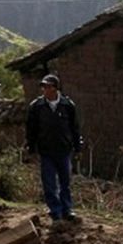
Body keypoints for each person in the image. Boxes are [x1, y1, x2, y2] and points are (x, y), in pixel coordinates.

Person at [25, 73, 83, 223]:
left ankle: (67, 209)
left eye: (48, 86)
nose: (45, 89)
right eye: (43, 87)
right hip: (46, 151)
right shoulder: (36, 107)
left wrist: (78, 147)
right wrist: (31, 148)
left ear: (56, 88)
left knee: (65, 182)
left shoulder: (67, 105)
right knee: (49, 183)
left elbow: (74, 128)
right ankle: (55, 211)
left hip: (64, 149)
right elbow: (31, 130)